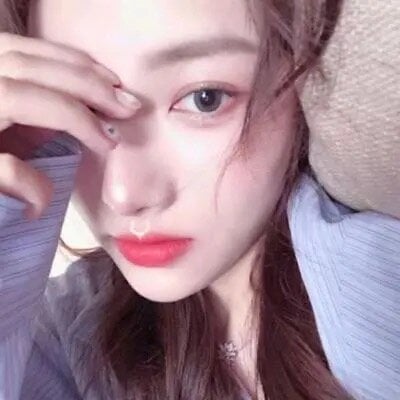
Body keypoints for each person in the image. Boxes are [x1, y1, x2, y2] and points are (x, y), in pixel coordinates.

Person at [0, 1, 398, 399]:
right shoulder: (64, 332)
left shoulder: (373, 279)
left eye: (205, 99)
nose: (123, 194)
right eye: (77, 106)